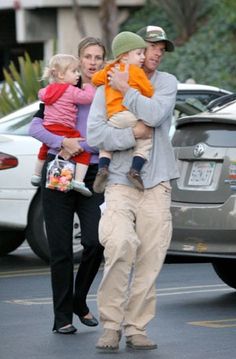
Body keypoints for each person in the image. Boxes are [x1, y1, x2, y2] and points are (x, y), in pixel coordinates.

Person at [87, 25, 179, 351]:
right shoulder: (106, 84)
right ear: (135, 49)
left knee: (150, 258)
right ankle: (111, 326)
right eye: (150, 46)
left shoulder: (166, 83)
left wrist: (126, 90)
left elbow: (154, 116)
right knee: (119, 245)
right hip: (119, 183)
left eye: (160, 49)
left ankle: (136, 327)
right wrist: (131, 135)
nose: (155, 53)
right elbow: (95, 136)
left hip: (157, 184)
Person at [29, 37, 106, 334]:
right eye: (87, 56)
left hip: (92, 173)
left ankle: (78, 298)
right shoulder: (62, 90)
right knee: (60, 248)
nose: (93, 62)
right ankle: (62, 317)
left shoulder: (105, 94)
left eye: (98, 57)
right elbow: (35, 126)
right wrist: (63, 142)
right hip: (59, 169)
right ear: (78, 60)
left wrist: (84, 144)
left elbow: (109, 136)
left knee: (95, 241)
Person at [92, 31, 154, 193]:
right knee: (145, 143)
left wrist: (107, 71)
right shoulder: (136, 72)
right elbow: (148, 91)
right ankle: (135, 170)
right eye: (139, 53)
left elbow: (95, 80)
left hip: (114, 117)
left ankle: (103, 167)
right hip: (131, 115)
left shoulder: (111, 70)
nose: (143, 57)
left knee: (105, 145)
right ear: (125, 56)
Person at [32, 53, 95, 196]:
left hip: (49, 126)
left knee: (43, 149)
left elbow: (41, 94)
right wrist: (88, 87)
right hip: (64, 129)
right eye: (74, 71)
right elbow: (88, 98)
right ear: (61, 75)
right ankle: (79, 181)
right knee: (83, 151)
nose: (78, 74)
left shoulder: (48, 90)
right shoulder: (71, 90)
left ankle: (36, 175)